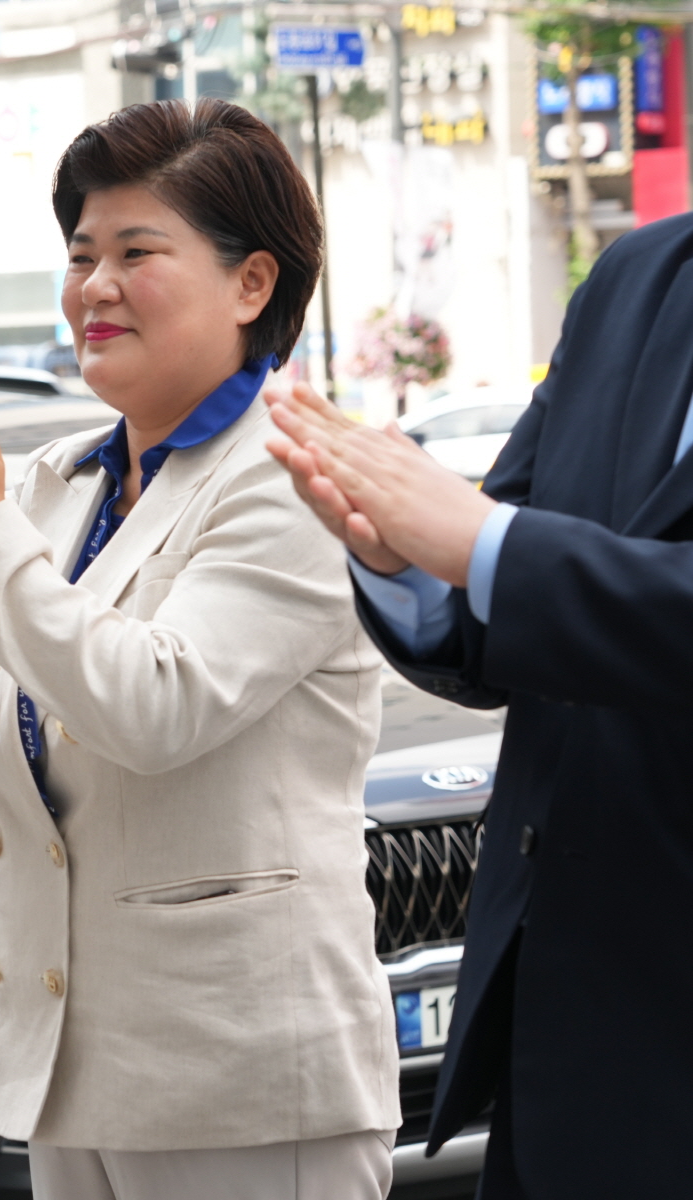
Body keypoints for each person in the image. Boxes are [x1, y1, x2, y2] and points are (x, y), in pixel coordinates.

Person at [0, 98, 400, 1199]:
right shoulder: (64, 481)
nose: (94, 286)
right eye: (81, 253)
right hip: (67, 1064)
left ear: (254, 282)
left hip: (239, 1075)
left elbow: (153, 707)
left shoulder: (291, 475)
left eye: (138, 252)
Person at [264, 213, 693, 1199]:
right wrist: (395, 549)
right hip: (565, 1047)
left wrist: (487, 544)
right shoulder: (636, 273)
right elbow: (502, 617)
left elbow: (507, 550)